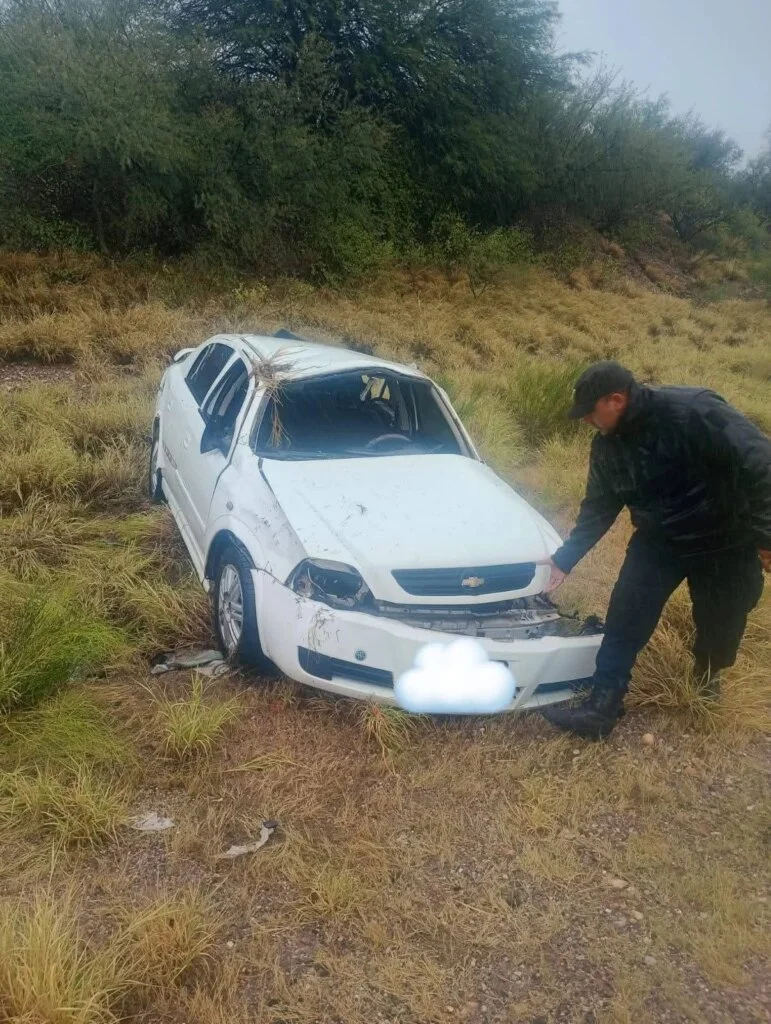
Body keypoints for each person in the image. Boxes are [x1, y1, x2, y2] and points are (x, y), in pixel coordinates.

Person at [540, 361, 771, 740]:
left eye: (589, 413)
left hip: (725, 541)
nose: (586, 423)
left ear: (615, 400)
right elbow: (599, 506)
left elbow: (761, 463)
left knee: (722, 620)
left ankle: (706, 678)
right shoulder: (607, 447)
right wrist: (566, 558)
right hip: (658, 543)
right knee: (624, 619)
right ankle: (603, 705)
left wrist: (766, 537)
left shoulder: (693, 410)